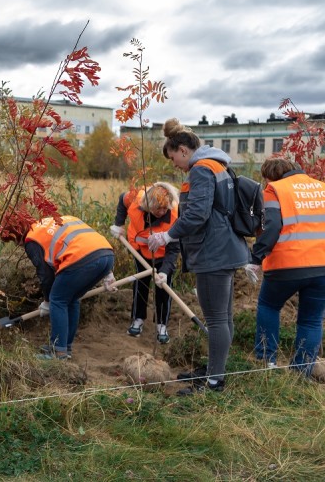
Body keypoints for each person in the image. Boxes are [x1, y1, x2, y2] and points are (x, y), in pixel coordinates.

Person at [148, 118, 249, 395]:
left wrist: (167, 236)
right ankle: (216, 369)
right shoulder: (219, 166)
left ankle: (214, 381)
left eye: (173, 159)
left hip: (213, 252)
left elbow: (197, 214)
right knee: (223, 317)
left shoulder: (201, 170)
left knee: (216, 319)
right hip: (224, 248)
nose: (174, 165)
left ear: (182, 150)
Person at [246, 158, 325, 376]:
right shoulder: (321, 187)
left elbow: (271, 226)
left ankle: (266, 362)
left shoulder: (275, 189)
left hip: (286, 265)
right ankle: (302, 370)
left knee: (269, 306)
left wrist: (256, 258)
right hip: (322, 267)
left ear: (270, 176)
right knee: (311, 319)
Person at [5, 216, 115, 359]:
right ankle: (64, 347)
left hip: (81, 259)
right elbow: (88, 241)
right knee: (72, 298)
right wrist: (108, 271)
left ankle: (58, 352)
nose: (16, 245)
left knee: (58, 300)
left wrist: (47, 301)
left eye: (13, 241)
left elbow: (45, 275)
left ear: (17, 235)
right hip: (106, 255)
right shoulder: (48, 222)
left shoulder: (32, 240)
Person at [111, 182, 180, 343]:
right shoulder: (137, 198)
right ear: (148, 205)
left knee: (163, 287)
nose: (162, 212)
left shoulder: (176, 214)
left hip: (164, 256)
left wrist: (164, 271)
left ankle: (162, 324)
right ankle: (138, 319)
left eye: (165, 208)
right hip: (140, 251)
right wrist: (118, 223)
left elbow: (175, 248)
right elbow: (122, 199)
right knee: (140, 283)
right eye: (158, 209)